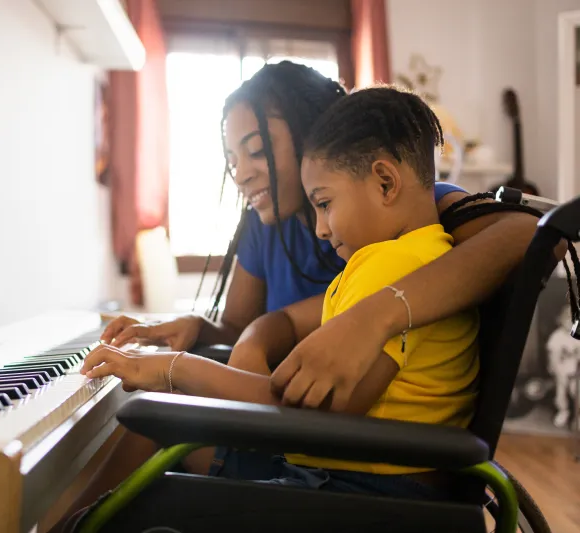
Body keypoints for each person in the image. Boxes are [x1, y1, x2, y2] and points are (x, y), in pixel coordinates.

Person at [68, 86, 479, 517]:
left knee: (145, 499)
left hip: (364, 490)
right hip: (358, 471)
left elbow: (317, 416)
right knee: (169, 438)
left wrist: (176, 369)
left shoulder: (389, 266)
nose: (321, 228)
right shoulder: (427, 255)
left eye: (325, 203)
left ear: (385, 181)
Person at [101, 61, 541, 407]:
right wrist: (198, 328)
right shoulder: (264, 223)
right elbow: (240, 326)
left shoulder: (411, 213)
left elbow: (534, 234)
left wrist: (373, 316)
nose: (241, 174)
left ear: (314, 135)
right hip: (290, 421)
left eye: (256, 151)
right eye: (232, 160)